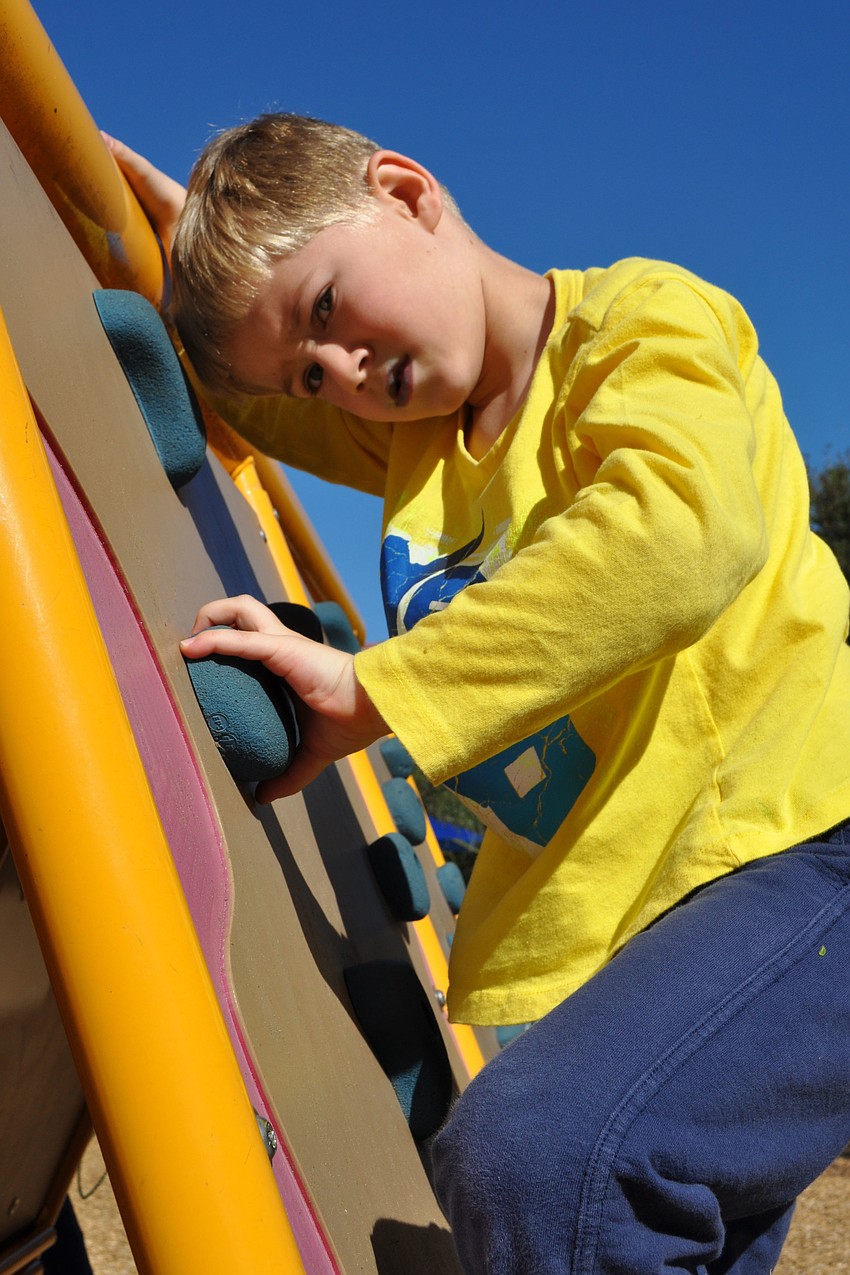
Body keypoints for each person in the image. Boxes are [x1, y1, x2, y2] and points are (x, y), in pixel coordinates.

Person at [107, 117, 850, 1274]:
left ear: (405, 192)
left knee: (539, 1161)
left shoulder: (632, 323)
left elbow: (682, 534)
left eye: (326, 309)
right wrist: (167, 265)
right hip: (679, 922)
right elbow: (254, 402)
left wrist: (375, 690)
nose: (342, 375)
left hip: (805, 850)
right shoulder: (416, 440)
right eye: (314, 369)